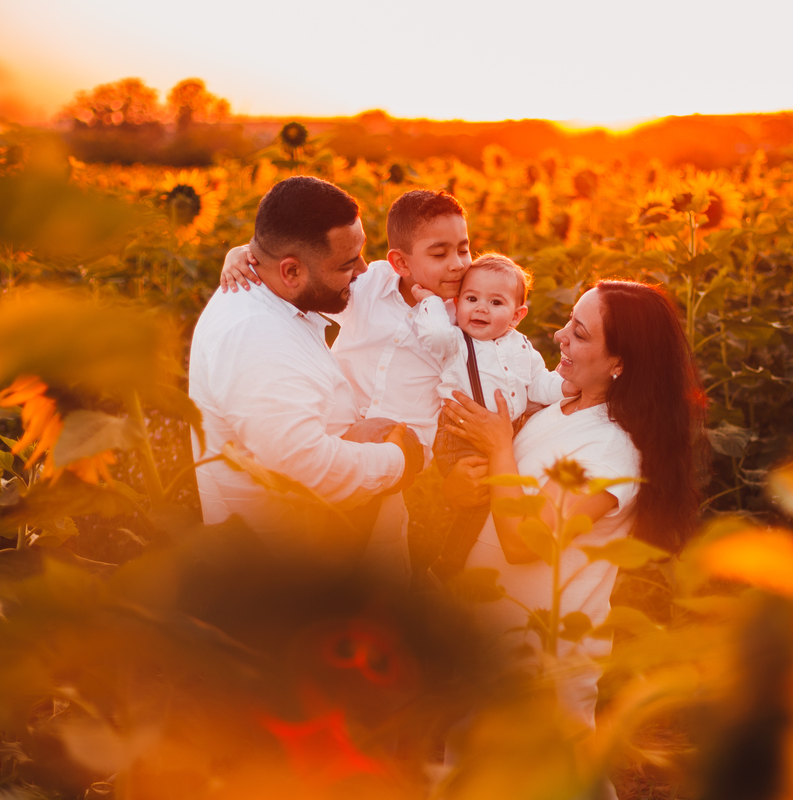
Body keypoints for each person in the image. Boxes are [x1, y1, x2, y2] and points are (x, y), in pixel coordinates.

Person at [442, 280, 705, 731]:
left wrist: (500, 446)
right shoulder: (561, 408)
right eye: (569, 322)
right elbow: (509, 494)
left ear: (619, 363)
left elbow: (526, 544)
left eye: (580, 333)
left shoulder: (609, 451)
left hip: (540, 663)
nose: (560, 335)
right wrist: (461, 488)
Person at [218, 189, 477, 574]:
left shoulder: (466, 313)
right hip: (336, 433)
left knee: (379, 554)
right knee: (316, 536)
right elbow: (305, 271)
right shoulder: (369, 286)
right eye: (440, 254)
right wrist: (240, 254)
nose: (457, 264)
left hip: (399, 449)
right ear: (400, 262)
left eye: (464, 249)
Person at [189, 176, 422, 565]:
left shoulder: (271, 290)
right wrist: (397, 460)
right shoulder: (256, 336)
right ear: (292, 273)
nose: (363, 270)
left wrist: (241, 251)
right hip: (299, 574)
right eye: (347, 263)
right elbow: (303, 467)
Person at [411, 253, 575, 577]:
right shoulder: (456, 342)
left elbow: (538, 383)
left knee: (499, 494)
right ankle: (447, 564)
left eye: (496, 302)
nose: (481, 309)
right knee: (481, 498)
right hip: (462, 433)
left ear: (517, 315)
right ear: (457, 303)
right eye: (471, 299)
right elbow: (434, 334)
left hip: (505, 431)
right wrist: (430, 302)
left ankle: (480, 559)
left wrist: (567, 387)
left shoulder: (522, 346)